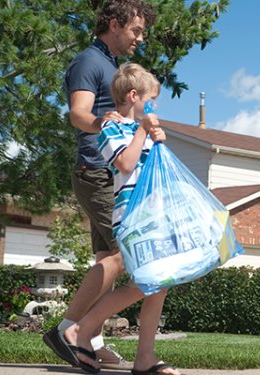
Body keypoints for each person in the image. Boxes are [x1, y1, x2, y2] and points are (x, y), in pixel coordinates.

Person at [42, 0, 155, 370]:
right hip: (97, 169)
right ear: (114, 23)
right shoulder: (90, 62)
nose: (141, 37)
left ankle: (91, 339)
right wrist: (103, 126)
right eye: (136, 29)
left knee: (108, 259)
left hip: (107, 172)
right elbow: (78, 113)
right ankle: (68, 329)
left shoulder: (111, 64)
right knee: (124, 255)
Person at [63, 62, 178, 375]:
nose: (153, 107)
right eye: (150, 101)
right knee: (147, 283)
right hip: (132, 216)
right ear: (132, 96)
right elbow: (126, 163)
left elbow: (153, 169)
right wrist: (142, 131)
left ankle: (145, 358)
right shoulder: (111, 128)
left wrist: (158, 141)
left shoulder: (143, 132)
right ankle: (80, 329)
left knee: (159, 286)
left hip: (154, 215)